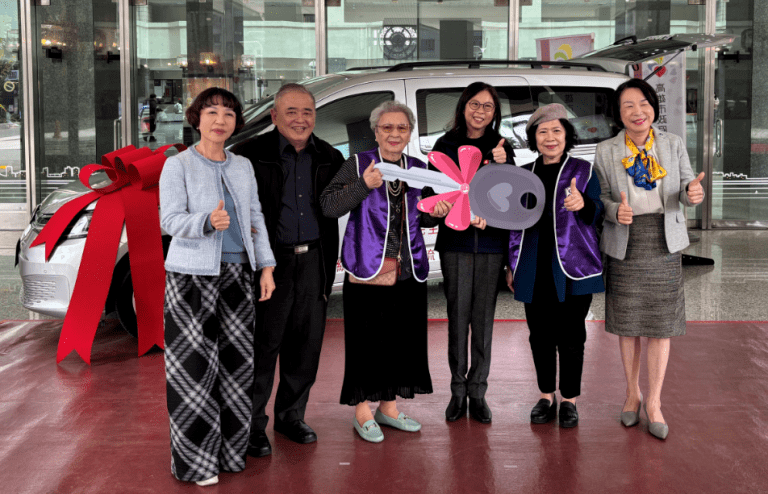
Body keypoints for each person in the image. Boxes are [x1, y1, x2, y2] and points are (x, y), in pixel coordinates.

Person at [159, 87, 276, 486]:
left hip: (238, 277)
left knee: (236, 369)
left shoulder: (242, 166)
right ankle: (196, 463)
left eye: (228, 113)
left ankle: (229, 454)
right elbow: (169, 220)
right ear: (196, 118)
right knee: (193, 371)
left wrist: (266, 266)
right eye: (211, 112)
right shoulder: (178, 166)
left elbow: (255, 215)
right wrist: (206, 222)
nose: (220, 120)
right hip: (190, 277)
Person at [320, 100, 449, 442]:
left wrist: (438, 210)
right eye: (387, 127)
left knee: (400, 340)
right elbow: (329, 205)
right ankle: (362, 410)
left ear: (410, 132)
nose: (394, 134)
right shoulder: (359, 163)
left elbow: (424, 214)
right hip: (367, 268)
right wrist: (363, 185)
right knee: (366, 340)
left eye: (402, 128)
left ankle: (388, 408)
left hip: (409, 269)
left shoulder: (418, 168)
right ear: (375, 131)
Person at [229, 83, 344, 455]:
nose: (300, 119)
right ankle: (252, 425)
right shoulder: (248, 155)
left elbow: (338, 207)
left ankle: (291, 416)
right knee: (262, 346)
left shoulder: (329, 156)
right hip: (268, 264)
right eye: (291, 112)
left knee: (305, 344)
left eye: (307, 112)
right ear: (275, 116)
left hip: (314, 260)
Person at [593, 78, 705, 440]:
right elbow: (602, 198)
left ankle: (654, 401)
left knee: (660, 326)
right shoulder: (606, 150)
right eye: (628, 106)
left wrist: (693, 192)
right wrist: (614, 212)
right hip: (625, 242)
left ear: (653, 107)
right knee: (628, 325)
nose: (637, 111)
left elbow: (687, 189)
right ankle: (631, 394)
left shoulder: (671, 144)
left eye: (643, 103)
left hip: (663, 240)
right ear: (618, 114)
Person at [505, 103, 605, 428]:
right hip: (534, 269)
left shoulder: (584, 171)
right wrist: (511, 266)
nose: (550, 138)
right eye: (543, 131)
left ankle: (570, 401)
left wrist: (583, 203)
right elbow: (513, 225)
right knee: (540, 336)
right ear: (534, 137)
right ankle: (546, 395)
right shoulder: (524, 174)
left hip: (572, 267)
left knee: (572, 336)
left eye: (557, 131)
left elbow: (598, 213)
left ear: (567, 136)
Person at [431, 81, 516, 424]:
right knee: (457, 319)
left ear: (495, 113)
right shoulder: (445, 144)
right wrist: (438, 210)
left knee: (482, 322)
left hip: (491, 244)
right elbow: (434, 193)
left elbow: (512, 200)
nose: (481, 112)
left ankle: (478, 391)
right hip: (456, 244)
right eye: (475, 105)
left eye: (488, 107)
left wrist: (504, 162)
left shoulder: (501, 147)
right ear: (464, 106)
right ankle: (457, 391)